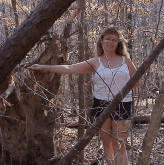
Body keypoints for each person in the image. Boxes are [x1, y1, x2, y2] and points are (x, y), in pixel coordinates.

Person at [29, 27, 140, 165]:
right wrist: (45, 67)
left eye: (114, 40)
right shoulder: (96, 61)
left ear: (118, 43)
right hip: (101, 104)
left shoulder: (125, 60)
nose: (110, 42)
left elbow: (137, 82)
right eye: (107, 39)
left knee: (119, 143)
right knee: (107, 143)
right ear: (101, 40)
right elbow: (70, 68)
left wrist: (121, 91)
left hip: (123, 103)